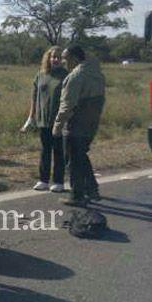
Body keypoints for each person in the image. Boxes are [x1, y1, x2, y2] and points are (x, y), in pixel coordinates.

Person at [52, 45, 106, 207]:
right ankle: (92, 189)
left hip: (76, 124)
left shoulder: (75, 76)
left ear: (74, 59)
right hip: (91, 123)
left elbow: (67, 106)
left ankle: (77, 195)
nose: (62, 61)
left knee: (73, 161)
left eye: (65, 58)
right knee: (81, 156)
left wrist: (57, 126)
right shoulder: (97, 73)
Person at [20, 46, 67, 192]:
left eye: (59, 57)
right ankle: (43, 180)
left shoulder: (66, 75)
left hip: (59, 121)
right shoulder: (40, 75)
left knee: (58, 151)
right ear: (48, 58)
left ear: (63, 60)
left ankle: (59, 182)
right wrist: (31, 118)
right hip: (43, 120)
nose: (56, 59)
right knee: (45, 150)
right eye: (53, 57)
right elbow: (34, 97)